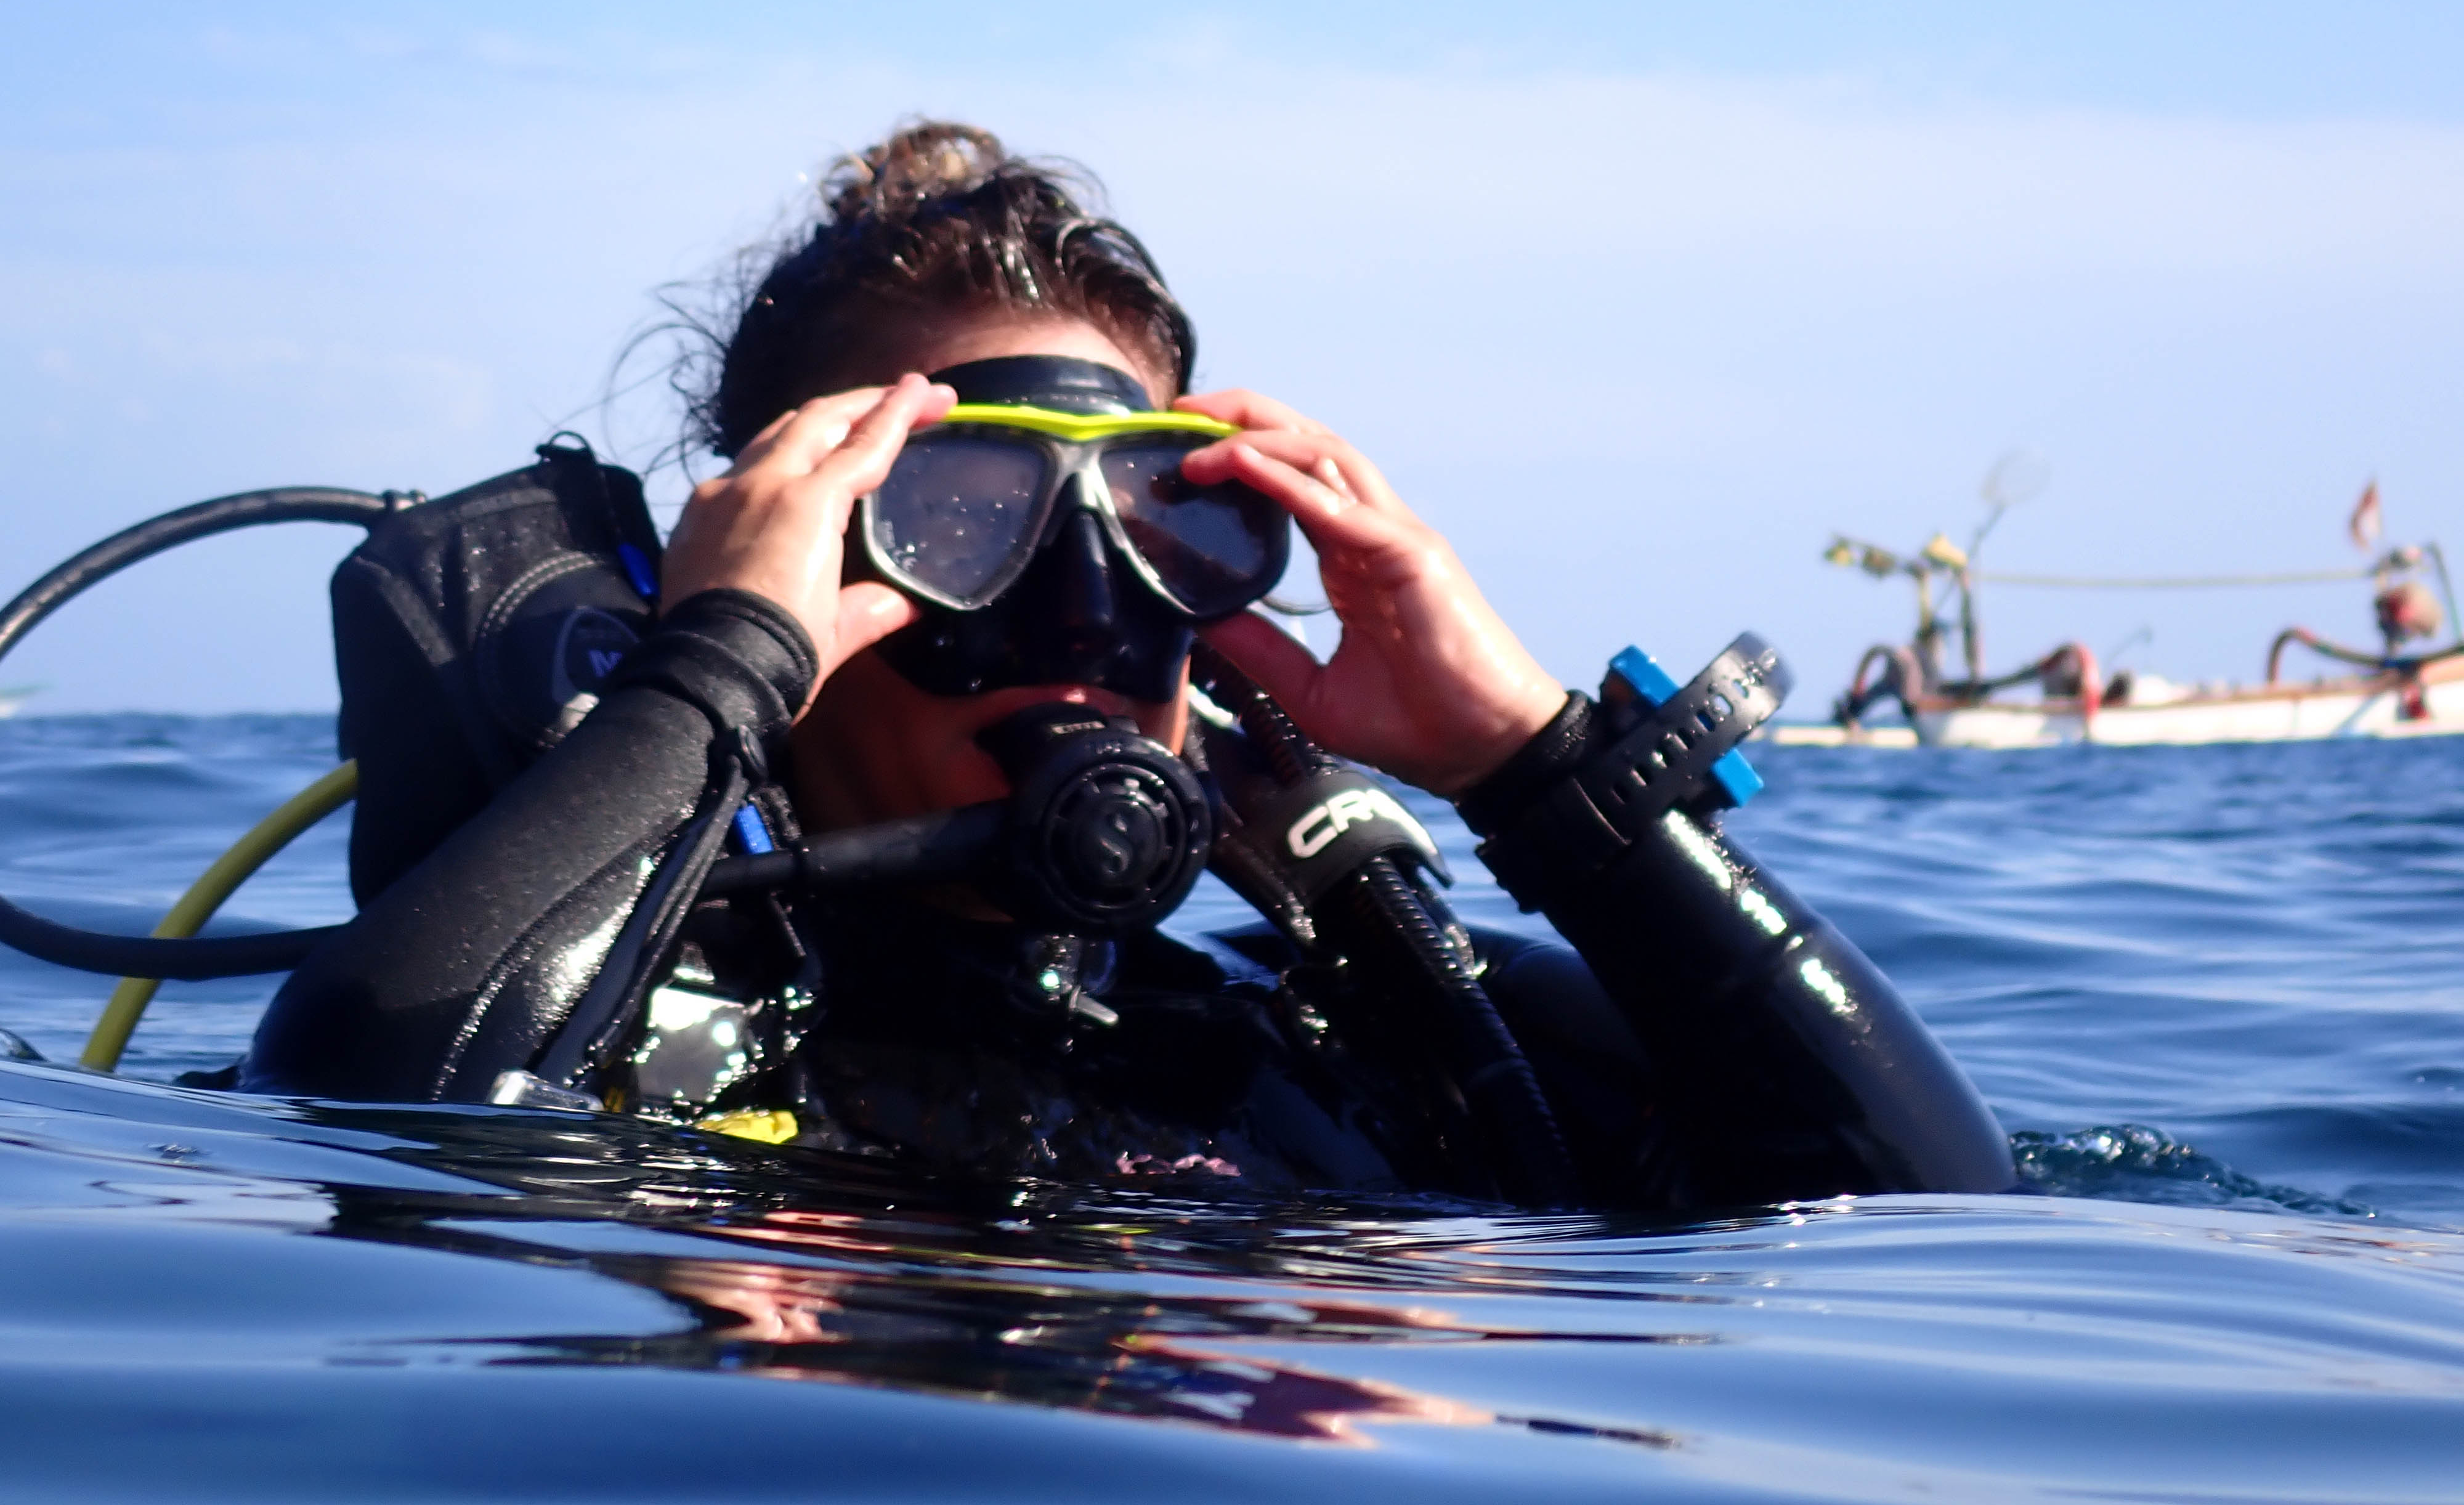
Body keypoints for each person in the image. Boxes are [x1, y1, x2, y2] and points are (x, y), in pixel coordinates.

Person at [242, 122, 2013, 1209]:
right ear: (790, 563)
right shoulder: (600, 1046)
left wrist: (1535, 768)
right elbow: (370, 1132)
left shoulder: (1370, 1036)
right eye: (955, 516)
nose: (1092, 606)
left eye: (1173, 523)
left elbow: (1920, 1228)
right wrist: (709, 677)